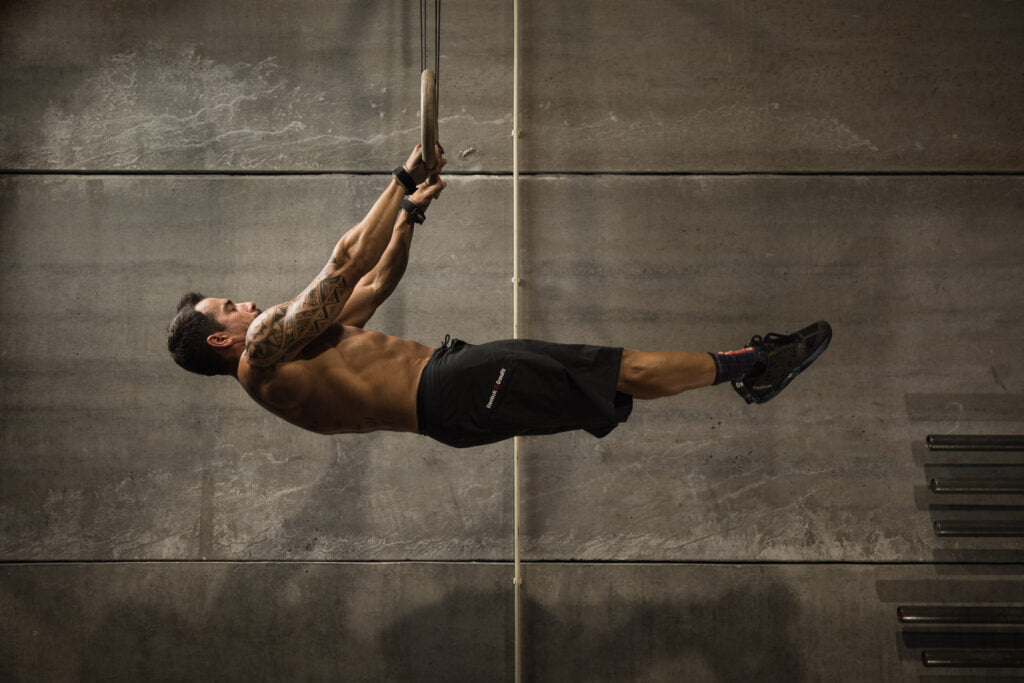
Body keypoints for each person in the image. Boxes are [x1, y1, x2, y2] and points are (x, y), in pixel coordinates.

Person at [167, 144, 831, 448]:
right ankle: (752, 364)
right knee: (611, 367)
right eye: (229, 307)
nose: (245, 303)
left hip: (450, 414)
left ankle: (749, 366)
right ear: (222, 339)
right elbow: (345, 261)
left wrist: (408, 219)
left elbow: (372, 284)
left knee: (608, 377)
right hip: (450, 385)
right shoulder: (261, 350)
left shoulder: (286, 365)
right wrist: (400, 178)